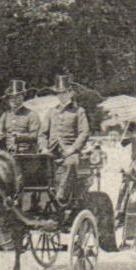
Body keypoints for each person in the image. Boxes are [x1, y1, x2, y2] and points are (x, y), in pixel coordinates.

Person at [46, 75, 91, 204]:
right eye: (59, 93)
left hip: (70, 150)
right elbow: (42, 134)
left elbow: (84, 132)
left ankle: (62, 194)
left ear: (71, 93)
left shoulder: (78, 111)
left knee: (71, 162)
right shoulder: (51, 112)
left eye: (64, 92)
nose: (62, 96)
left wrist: (73, 149)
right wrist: (43, 147)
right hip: (52, 150)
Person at [0, 79, 44, 154]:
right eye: (11, 97)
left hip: (26, 153)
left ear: (22, 98)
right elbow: (0, 134)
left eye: (17, 97)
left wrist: (20, 137)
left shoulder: (31, 115)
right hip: (8, 153)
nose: (14, 100)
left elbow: (36, 135)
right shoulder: (5, 115)